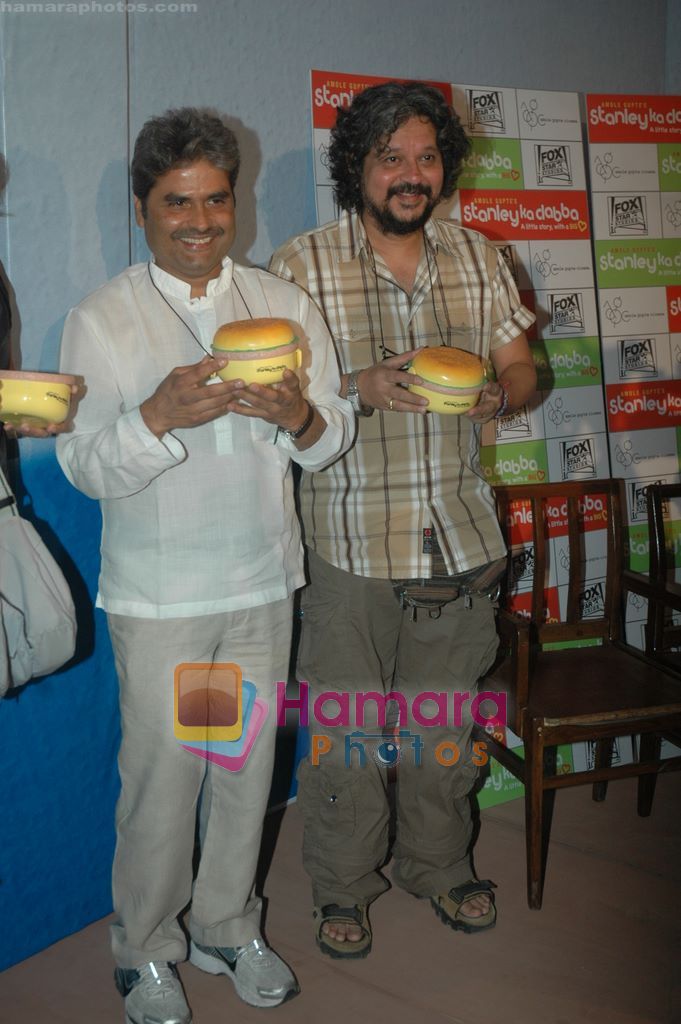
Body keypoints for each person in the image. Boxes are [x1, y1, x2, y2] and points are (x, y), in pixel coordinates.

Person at [57, 107, 353, 1023]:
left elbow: (331, 432)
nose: (198, 220)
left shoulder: (283, 304)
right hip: (161, 597)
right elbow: (83, 464)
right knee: (162, 778)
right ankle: (145, 948)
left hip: (262, 581)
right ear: (143, 210)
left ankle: (228, 925)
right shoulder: (102, 317)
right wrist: (154, 418)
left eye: (215, 199)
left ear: (237, 203)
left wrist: (299, 417)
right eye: (176, 201)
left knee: (244, 771)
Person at [269, 81, 537, 958]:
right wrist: (356, 386)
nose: (410, 175)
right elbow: (278, 395)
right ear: (359, 167)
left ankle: (439, 865)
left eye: (425, 156)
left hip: (458, 537)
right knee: (345, 735)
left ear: (443, 167)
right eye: (391, 158)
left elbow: (520, 369)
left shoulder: (476, 254)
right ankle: (343, 889)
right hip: (347, 544)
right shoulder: (300, 264)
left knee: (442, 728)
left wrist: (502, 391)